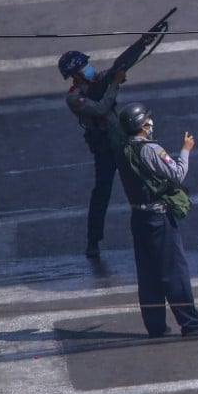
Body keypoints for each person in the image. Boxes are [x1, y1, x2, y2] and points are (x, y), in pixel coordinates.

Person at [114, 102, 198, 338]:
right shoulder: (151, 149)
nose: (151, 124)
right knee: (174, 271)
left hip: (138, 217)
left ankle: (155, 325)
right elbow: (177, 173)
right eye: (147, 121)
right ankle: (190, 323)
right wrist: (186, 149)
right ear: (142, 126)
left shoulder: (123, 149)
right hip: (158, 217)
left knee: (148, 274)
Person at [58, 50, 126, 258]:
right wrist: (114, 84)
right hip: (104, 146)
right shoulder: (73, 97)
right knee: (102, 193)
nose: (89, 69)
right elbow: (100, 108)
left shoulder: (99, 80)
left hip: (121, 139)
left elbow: (116, 69)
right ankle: (93, 240)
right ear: (75, 75)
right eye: (83, 68)